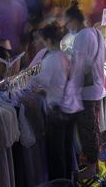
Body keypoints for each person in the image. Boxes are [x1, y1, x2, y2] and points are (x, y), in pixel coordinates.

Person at [25, 24, 76, 181]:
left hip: (56, 110)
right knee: (67, 150)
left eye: (41, 39)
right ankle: (69, 182)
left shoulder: (50, 60)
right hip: (70, 108)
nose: (39, 42)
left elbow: (38, 83)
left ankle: (59, 183)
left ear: (48, 40)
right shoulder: (66, 56)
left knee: (56, 154)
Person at [63, 1, 104, 175]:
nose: (67, 26)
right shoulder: (96, 32)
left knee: (87, 129)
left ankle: (91, 168)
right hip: (96, 87)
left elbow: (78, 68)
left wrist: (70, 91)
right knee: (93, 127)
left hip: (86, 92)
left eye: (68, 23)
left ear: (74, 20)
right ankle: (95, 164)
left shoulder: (81, 37)